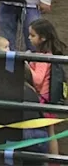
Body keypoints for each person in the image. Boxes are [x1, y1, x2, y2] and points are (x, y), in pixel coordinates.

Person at [27, 18, 65, 156]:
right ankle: (53, 160)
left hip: (42, 102)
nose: (29, 38)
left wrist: (26, 64)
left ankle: (51, 159)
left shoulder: (43, 57)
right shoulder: (47, 54)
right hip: (47, 101)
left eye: (32, 35)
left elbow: (37, 80)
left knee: (49, 132)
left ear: (42, 38)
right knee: (51, 132)